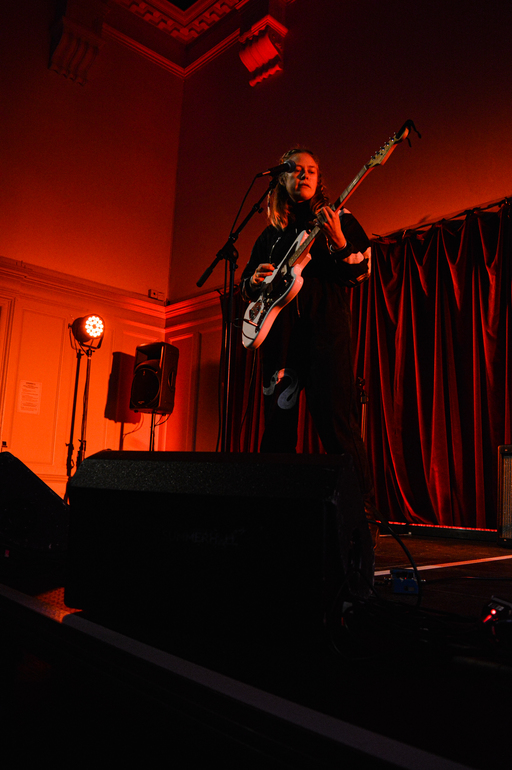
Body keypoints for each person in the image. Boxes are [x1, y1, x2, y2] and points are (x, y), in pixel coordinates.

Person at [240, 147, 373, 500]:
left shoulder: (340, 218)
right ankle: (276, 510)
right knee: (277, 430)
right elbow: (246, 287)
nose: (304, 174)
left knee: (337, 426)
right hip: (280, 340)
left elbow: (361, 273)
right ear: (281, 178)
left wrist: (340, 242)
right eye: (295, 169)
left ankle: (362, 513)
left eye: (311, 169)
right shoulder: (268, 238)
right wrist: (253, 280)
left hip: (326, 336)